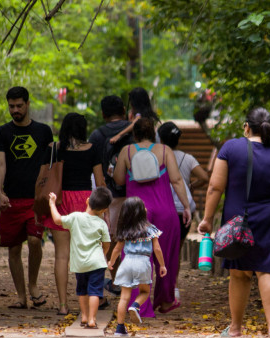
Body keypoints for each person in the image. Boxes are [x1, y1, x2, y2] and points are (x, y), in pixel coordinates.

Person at [197, 107, 270, 337]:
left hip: (238, 218)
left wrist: (207, 219)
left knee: (240, 273)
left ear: (246, 127)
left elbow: (215, 187)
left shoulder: (231, 148)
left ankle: (235, 328)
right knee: (267, 270)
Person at [112, 118, 191, 317]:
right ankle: (164, 301)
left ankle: (139, 307)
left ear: (135, 134)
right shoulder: (165, 151)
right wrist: (187, 206)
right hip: (165, 210)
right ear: (153, 133)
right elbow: (176, 180)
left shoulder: (127, 151)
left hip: (136, 212)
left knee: (134, 256)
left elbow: (120, 180)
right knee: (165, 257)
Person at [40, 112, 106, 316]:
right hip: (86, 202)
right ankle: (89, 301)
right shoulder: (92, 150)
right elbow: (100, 182)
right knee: (89, 252)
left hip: (59, 200)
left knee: (61, 256)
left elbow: (42, 177)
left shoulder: (53, 149)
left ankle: (62, 305)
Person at [0, 86, 53, 309]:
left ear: (28, 104)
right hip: (12, 198)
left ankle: (34, 285)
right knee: (14, 248)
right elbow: (0, 163)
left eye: (19, 105)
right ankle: (21, 296)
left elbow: (49, 165)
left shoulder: (43, 131)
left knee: (35, 241)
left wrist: (49, 193)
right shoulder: (2, 133)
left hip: (35, 198)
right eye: (11, 106)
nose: (15, 110)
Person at [48, 187, 112, 328]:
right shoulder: (102, 224)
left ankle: (83, 316)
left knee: (82, 291)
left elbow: (58, 220)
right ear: (103, 210)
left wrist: (52, 204)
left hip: (80, 264)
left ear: (88, 201)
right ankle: (92, 319)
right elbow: (107, 244)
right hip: (97, 263)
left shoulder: (75, 217)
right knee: (95, 292)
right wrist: (103, 255)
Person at [107, 197, 166, 337]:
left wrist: (111, 262)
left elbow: (116, 249)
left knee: (123, 297)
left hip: (126, 262)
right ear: (141, 212)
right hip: (143, 262)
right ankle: (136, 306)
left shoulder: (125, 231)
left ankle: (119, 329)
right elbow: (157, 249)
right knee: (145, 292)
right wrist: (162, 265)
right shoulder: (151, 229)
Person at [88, 95, 131, 284]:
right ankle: (132, 282)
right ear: (123, 110)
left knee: (111, 238)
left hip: (108, 194)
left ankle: (117, 280)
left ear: (103, 114)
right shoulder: (133, 131)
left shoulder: (97, 135)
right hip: (134, 192)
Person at [157, 121, 209, 247]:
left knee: (162, 246)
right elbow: (204, 177)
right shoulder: (188, 158)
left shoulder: (157, 157)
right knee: (177, 248)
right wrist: (191, 186)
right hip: (182, 208)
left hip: (163, 206)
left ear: (161, 139)